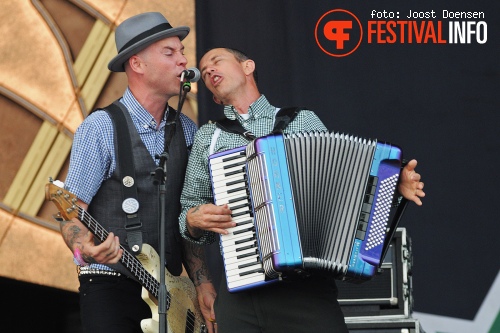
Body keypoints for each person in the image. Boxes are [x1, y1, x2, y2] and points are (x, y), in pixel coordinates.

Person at [178, 47, 426, 333]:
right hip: (243, 293)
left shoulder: (300, 120)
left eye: (216, 61)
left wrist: (392, 184)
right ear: (213, 96)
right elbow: (189, 206)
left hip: (307, 290)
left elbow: (342, 183)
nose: (208, 70)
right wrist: (193, 220)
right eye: (204, 69)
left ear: (248, 66)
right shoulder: (209, 137)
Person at [61, 12, 216, 333]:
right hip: (111, 287)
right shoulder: (100, 128)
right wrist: (84, 250)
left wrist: (201, 283)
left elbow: (184, 218)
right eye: (169, 52)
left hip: (171, 293)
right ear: (138, 64)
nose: (183, 61)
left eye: (182, 51)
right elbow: (71, 215)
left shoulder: (187, 130)